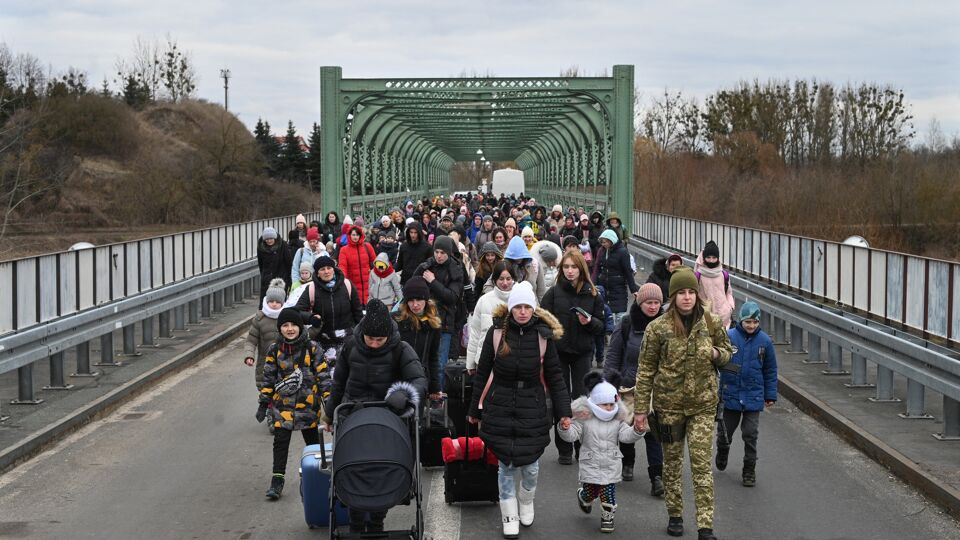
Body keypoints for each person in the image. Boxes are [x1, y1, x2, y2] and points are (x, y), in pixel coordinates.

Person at [634, 268, 734, 540]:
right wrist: (641, 410)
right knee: (672, 463)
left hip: (702, 404)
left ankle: (705, 525)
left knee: (701, 465)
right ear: (673, 297)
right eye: (682, 293)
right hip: (669, 407)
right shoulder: (658, 328)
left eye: (691, 292)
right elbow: (645, 371)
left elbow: (729, 355)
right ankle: (675, 514)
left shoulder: (711, 323)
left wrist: (715, 353)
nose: (687, 298)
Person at [467, 282, 572, 539]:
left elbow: (555, 376)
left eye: (527, 307)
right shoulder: (496, 333)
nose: (523, 312)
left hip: (532, 405)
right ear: (511, 308)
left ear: (533, 309)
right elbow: (482, 372)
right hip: (500, 404)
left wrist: (564, 412)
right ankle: (509, 512)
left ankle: (526, 500)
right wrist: (473, 409)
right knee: (505, 464)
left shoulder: (543, 336)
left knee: (531, 465)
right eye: (518, 307)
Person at [323, 299, 427, 534]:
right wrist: (329, 415)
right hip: (354, 415)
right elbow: (338, 383)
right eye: (371, 339)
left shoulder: (401, 349)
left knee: (383, 470)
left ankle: (377, 519)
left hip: (389, 416)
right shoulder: (351, 346)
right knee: (354, 469)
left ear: (388, 335)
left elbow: (419, 380)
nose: (374, 344)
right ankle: (356, 522)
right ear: (364, 334)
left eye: (380, 340)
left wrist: (402, 394)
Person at [256, 307, 331, 500]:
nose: (290, 329)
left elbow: (323, 377)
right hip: (283, 406)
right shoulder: (275, 350)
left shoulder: (312, 348)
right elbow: (269, 378)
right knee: (280, 442)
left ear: (300, 327)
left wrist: (329, 403)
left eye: (293, 325)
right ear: (280, 328)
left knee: (313, 444)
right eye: (285, 325)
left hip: (307, 405)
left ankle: (318, 476)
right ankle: (277, 480)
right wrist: (264, 403)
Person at [541, 250, 607, 464]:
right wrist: (550, 335)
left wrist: (589, 323)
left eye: (574, 267)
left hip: (582, 352)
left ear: (581, 269)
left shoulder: (593, 294)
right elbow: (542, 322)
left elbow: (601, 327)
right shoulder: (552, 293)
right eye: (566, 267)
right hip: (558, 352)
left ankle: (581, 445)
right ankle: (564, 448)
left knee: (581, 400)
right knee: (561, 398)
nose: (570, 271)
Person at [558, 371, 644, 533]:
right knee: (591, 492)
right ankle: (584, 496)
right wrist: (565, 428)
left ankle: (607, 516)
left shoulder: (617, 418)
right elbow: (572, 435)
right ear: (595, 403)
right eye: (605, 405)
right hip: (590, 462)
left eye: (612, 404)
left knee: (607, 491)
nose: (609, 408)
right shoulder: (584, 416)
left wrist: (637, 431)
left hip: (610, 462)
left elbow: (625, 436)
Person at [604, 283, 666, 496]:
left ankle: (657, 477)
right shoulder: (627, 324)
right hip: (628, 387)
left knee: (653, 433)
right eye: (649, 302)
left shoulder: (667, 325)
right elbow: (613, 355)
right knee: (628, 428)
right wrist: (609, 385)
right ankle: (628, 461)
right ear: (640, 303)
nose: (653, 306)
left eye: (657, 302)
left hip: (656, 389)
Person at [715, 301, 778, 487]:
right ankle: (723, 450)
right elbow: (718, 362)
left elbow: (770, 369)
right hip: (731, 395)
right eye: (748, 322)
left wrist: (770, 394)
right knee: (725, 432)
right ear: (741, 320)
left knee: (750, 434)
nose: (751, 326)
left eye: (755, 322)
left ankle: (749, 469)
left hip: (753, 396)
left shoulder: (765, 342)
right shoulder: (729, 337)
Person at [414, 235, 465, 390]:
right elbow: (412, 285)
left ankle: (438, 397)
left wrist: (432, 282)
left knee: (439, 365)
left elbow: (452, 297)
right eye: (436, 252)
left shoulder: (455, 270)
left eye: (443, 252)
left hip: (444, 323)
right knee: (419, 362)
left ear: (449, 253)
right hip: (424, 320)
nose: (439, 256)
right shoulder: (427, 266)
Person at [295, 255, 363, 354]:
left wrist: (360, 334)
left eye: (329, 268)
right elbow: (297, 312)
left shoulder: (347, 285)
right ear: (317, 273)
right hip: (322, 341)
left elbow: (358, 312)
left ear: (334, 269)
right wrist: (311, 317)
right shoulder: (311, 289)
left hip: (348, 340)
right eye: (322, 269)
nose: (326, 271)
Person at [394, 277, 442, 400]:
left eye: (419, 300)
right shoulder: (396, 320)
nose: (415, 305)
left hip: (421, 379)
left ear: (426, 300)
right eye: (411, 300)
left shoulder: (433, 324)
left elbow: (433, 357)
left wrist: (435, 387)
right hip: (398, 378)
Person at [465, 261, 516, 373]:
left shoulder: (520, 301)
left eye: (508, 278)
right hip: (484, 360)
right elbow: (475, 333)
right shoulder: (484, 300)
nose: (505, 283)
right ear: (495, 280)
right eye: (501, 279)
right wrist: (470, 362)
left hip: (512, 362)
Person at [244, 278, 286, 387]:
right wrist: (249, 355)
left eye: (277, 302)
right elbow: (251, 341)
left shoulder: (287, 318)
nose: (274, 304)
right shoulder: (259, 318)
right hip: (265, 365)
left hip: (285, 365)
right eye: (271, 301)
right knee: (266, 396)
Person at [593, 230, 639, 327]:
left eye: (605, 241)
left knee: (620, 316)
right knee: (607, 314)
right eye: (602, 242)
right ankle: (609, 336)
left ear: (611, 240)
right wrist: (593, 283)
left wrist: (634, 289)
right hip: (605, 287)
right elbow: (597, 268)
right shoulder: (602, 251)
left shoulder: (622, 252)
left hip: (619, 287)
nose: (603, 244)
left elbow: (628, 271)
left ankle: (620, 337)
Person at [695, 241, 735, 328]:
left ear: (718, 258)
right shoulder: (698, 275)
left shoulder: (724, 275)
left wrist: (730, 307)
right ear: (704, 258)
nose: (711, 260)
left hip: (724, 320)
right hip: (704, 319)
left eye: (714, 257)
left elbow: (728, 293)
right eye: (708, 257)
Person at [338, 225, 377, 305]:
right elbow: (342, 266)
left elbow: (375, 262)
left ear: (361, 235)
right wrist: (343, 280)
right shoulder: (344, 250)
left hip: (368, 283)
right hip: (353, 283)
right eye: (353, 235)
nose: (355, 237)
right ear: (349, 235)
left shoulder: (367, 246)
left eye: (357, 235)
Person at [503, 236, 546, 302]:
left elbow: (541, 291)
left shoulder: (535, 265)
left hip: (532, 306)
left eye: (520, 256)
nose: (517, 259)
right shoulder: (503, 265)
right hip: (511, 306)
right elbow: (489, 285)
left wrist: (541, 309)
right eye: (514, 257)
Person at [257, 226, 292, 302]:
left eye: (271, 239)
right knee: (266, 302)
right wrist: (264, 276)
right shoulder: (261, 248)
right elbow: (261, 264)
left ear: (275, 238)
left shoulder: (283, 245)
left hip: (281, 279)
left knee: (279, 302)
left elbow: (288, 262)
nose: (269, 241)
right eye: (267, 239)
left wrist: (289, 279)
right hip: (267, 280)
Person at [396, 222, 433, 286]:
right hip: (405, 280)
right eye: (411, 232)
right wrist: (390, 269)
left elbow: (430, 266)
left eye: (415, 233)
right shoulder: (404, 246)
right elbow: (400, 264)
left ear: (419, 233)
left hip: (421, 281)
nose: (413, 235)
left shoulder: (427, 247)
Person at [471, 241, 503, 310]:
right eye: (487, 255)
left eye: (492, 255)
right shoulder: (481, 270)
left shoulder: (501, 267)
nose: (490, 258)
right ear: (484, 256)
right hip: (486, 299)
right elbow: (477, 290)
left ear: (496, 255)